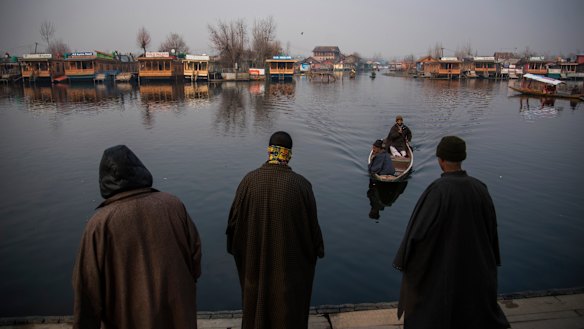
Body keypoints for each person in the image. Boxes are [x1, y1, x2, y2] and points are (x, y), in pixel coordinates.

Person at [72, 145, 202, 329]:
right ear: (140, 170)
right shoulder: (174, 205)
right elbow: (195, 261)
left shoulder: (99, 225)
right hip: (178, 318)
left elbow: (87, 292)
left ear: (105, 180)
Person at [393, 136, 510, 329]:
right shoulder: (480, 188)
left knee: (436, 309)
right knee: (471, 309)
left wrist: (405, 260)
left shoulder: (438, 191)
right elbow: (491, 230)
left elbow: (416, 233)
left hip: (443, 267)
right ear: (461, 158)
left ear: (440, 159)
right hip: (475, 265)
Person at [227, 131, 325, 329]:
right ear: (288, 154)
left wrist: (240, 249)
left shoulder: (248, 182)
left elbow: (233, 227)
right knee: (287, 310)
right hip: (289, 270)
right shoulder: (302, 186)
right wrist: (317, 250)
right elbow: (313, 231)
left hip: (255, 265)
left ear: (269, 151)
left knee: (255, 304)